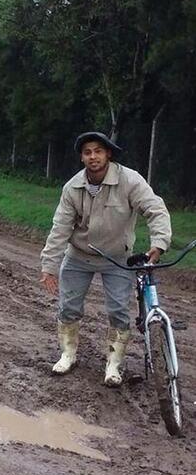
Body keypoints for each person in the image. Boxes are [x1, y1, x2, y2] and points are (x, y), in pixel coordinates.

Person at [40, 131, 171, 386]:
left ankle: (113, 365)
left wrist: (159, 243)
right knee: (68, 306)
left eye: (98, 151)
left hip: (117, 258)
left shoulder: (130, 181)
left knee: (119, 311)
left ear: (108, 154)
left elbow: (155, 209)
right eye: (87, 152)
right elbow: (60, 229)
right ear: (82, 157)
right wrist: (49, 266)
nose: (93, 157)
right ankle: (68, 354)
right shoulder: (72, 187)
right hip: (79, 255)